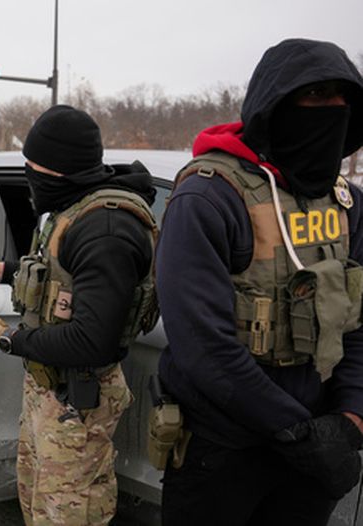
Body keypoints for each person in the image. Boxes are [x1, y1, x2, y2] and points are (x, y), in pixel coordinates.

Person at [155, 38, 363, 526]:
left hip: (318, 440)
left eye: (343, 97)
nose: (333, 108)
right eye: (316, 94)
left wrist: (350, 418)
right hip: (222, 445)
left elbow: (357, 321)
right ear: (275, 103)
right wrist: (297, 432)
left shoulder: (347, 204)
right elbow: (203, 347)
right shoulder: (208, 197)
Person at [0, 105, 158, 525]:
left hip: (77, 401)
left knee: (69, 514)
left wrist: (5, 338)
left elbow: (92, 341)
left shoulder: (106, 230)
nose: (29, 176)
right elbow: (60, 282)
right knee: (37, 504)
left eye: (34, 168)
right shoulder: (75, 207)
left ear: (61, 169)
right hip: (49, 392)